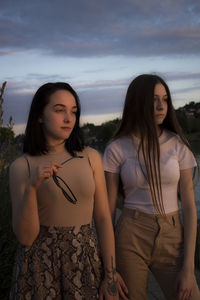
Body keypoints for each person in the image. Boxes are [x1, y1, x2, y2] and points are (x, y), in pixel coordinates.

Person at [9, 82, 128, 300]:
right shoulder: (21, 167)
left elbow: (102, 218)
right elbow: (26, 238)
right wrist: (32, 187)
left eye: (73, 111)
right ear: (39, 116)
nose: (68, 118)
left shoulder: (91, 157)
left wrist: (110, 274)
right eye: (59, 110)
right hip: (39, 269)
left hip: (86, 262)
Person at [103, 74, 200, 300]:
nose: (160, 106)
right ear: (137, 102)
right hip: (130, 235)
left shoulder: (178, 144)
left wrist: (188, 269)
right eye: (153, 99)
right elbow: (107, 212)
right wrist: (109, 270)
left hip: (172, 235)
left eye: (165, 99)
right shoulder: (117, 148)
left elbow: (188, 206)